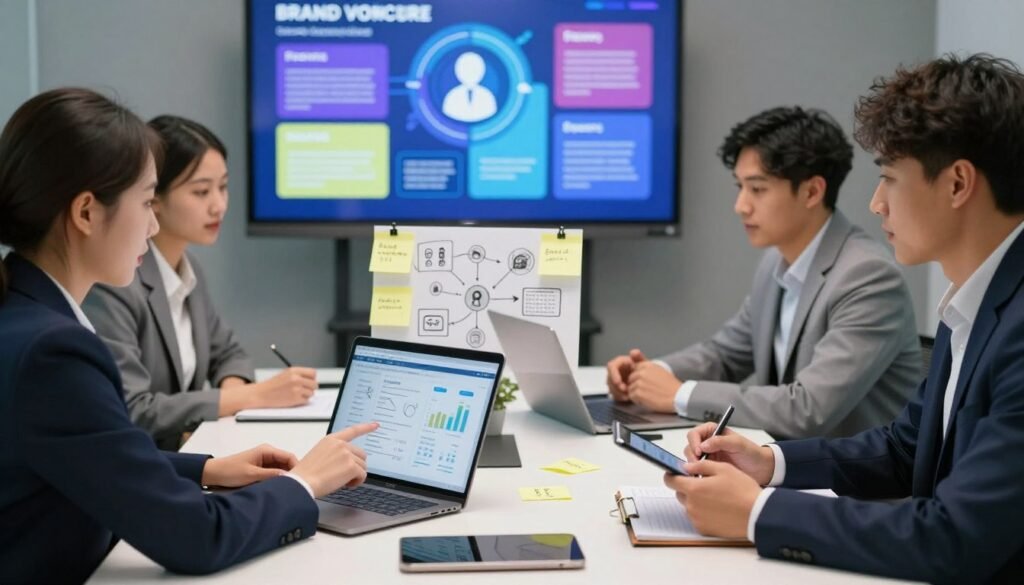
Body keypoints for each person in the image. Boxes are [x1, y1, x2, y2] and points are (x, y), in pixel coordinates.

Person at [667, 54, 1024, 583]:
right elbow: (903, 448)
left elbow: (957, 537)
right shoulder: (972, 299)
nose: (877, 205)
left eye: (889, 179)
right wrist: (769, 463)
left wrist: (757, 513)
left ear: (956, 184)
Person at [0, 88, 378, 583]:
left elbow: (86, 456)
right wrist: (306, 483)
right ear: (87, 212)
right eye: (145, 201)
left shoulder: (28, 315)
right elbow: (197, 538)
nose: (153, 223)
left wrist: (205, 470)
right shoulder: (53, 352)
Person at [607, 106, 921, 439]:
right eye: (740, 187)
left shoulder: (868, 277)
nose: (740, 205)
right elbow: (725, 355)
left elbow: (807, 409)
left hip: (853, 485)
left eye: (757, 189)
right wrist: (650, 373)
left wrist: (678, 395)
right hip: (784, 466)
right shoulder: (777, 261)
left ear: (812, 191)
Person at [83, 115, 315, 449]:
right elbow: (130, 408)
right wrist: (250, 396)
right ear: (154, 199)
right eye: (201, 191)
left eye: (223, 187)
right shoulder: (116, 282)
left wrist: (237, 394)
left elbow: (229, 353)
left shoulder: (187, 268)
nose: (219, 205)